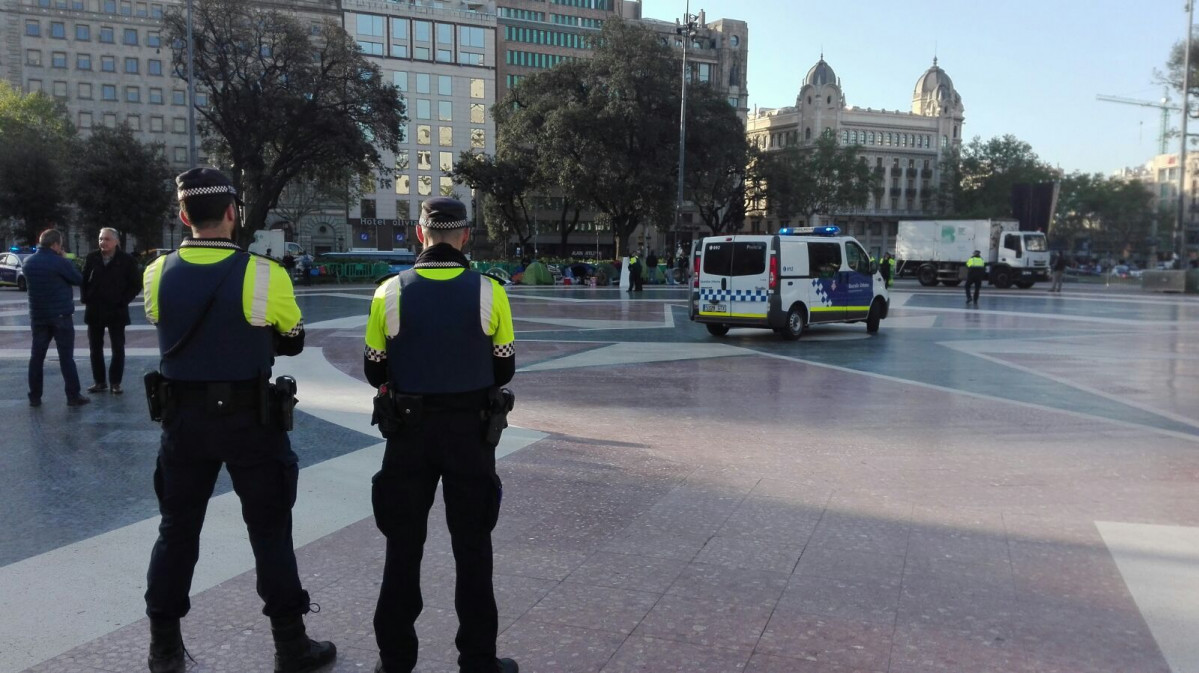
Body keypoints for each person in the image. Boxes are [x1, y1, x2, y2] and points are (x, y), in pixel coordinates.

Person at [142, 168, 335, 673]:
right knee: (270, 531)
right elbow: (292, 339)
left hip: (182, 421)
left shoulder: (157, 272)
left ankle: (163, 649)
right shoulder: (265, 274)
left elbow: (162, 323)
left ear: (184, 216)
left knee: (176, 531)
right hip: (251, 419)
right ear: (233, 213)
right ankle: (291, 646)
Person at [364, 197, 518, 673]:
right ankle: (477, 660)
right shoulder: (489, 291)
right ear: (465, 236)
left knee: (402, 549)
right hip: (470, 435)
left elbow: (375, 372)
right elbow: (504, 366)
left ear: (419, 233)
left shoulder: (388, 291)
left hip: (408, 435)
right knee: (473, 549)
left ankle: (394, 661)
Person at [25, 228, 89, 407]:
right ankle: (73, 395)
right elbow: (78, 279)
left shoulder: (29, 263)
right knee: (66, 357)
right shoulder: (59, 262)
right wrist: (64, 259)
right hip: (61, 316)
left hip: (38, 316)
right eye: (60, 243)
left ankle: (35, 396)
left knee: (36, 357)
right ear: (55, 244)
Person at [81, 227, 142, 394]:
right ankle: (99, 382)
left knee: (118, 348)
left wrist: (123, 301)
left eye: (107, 239)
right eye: (101, 239)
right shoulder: (92, 257)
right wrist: (86, 298)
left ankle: (115, 382)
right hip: (95, 310)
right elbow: (84, 280)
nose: (103, 242)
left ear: (116, 241)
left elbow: (136, 284)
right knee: (95, 348)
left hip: (116, 310)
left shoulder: (127, 260)